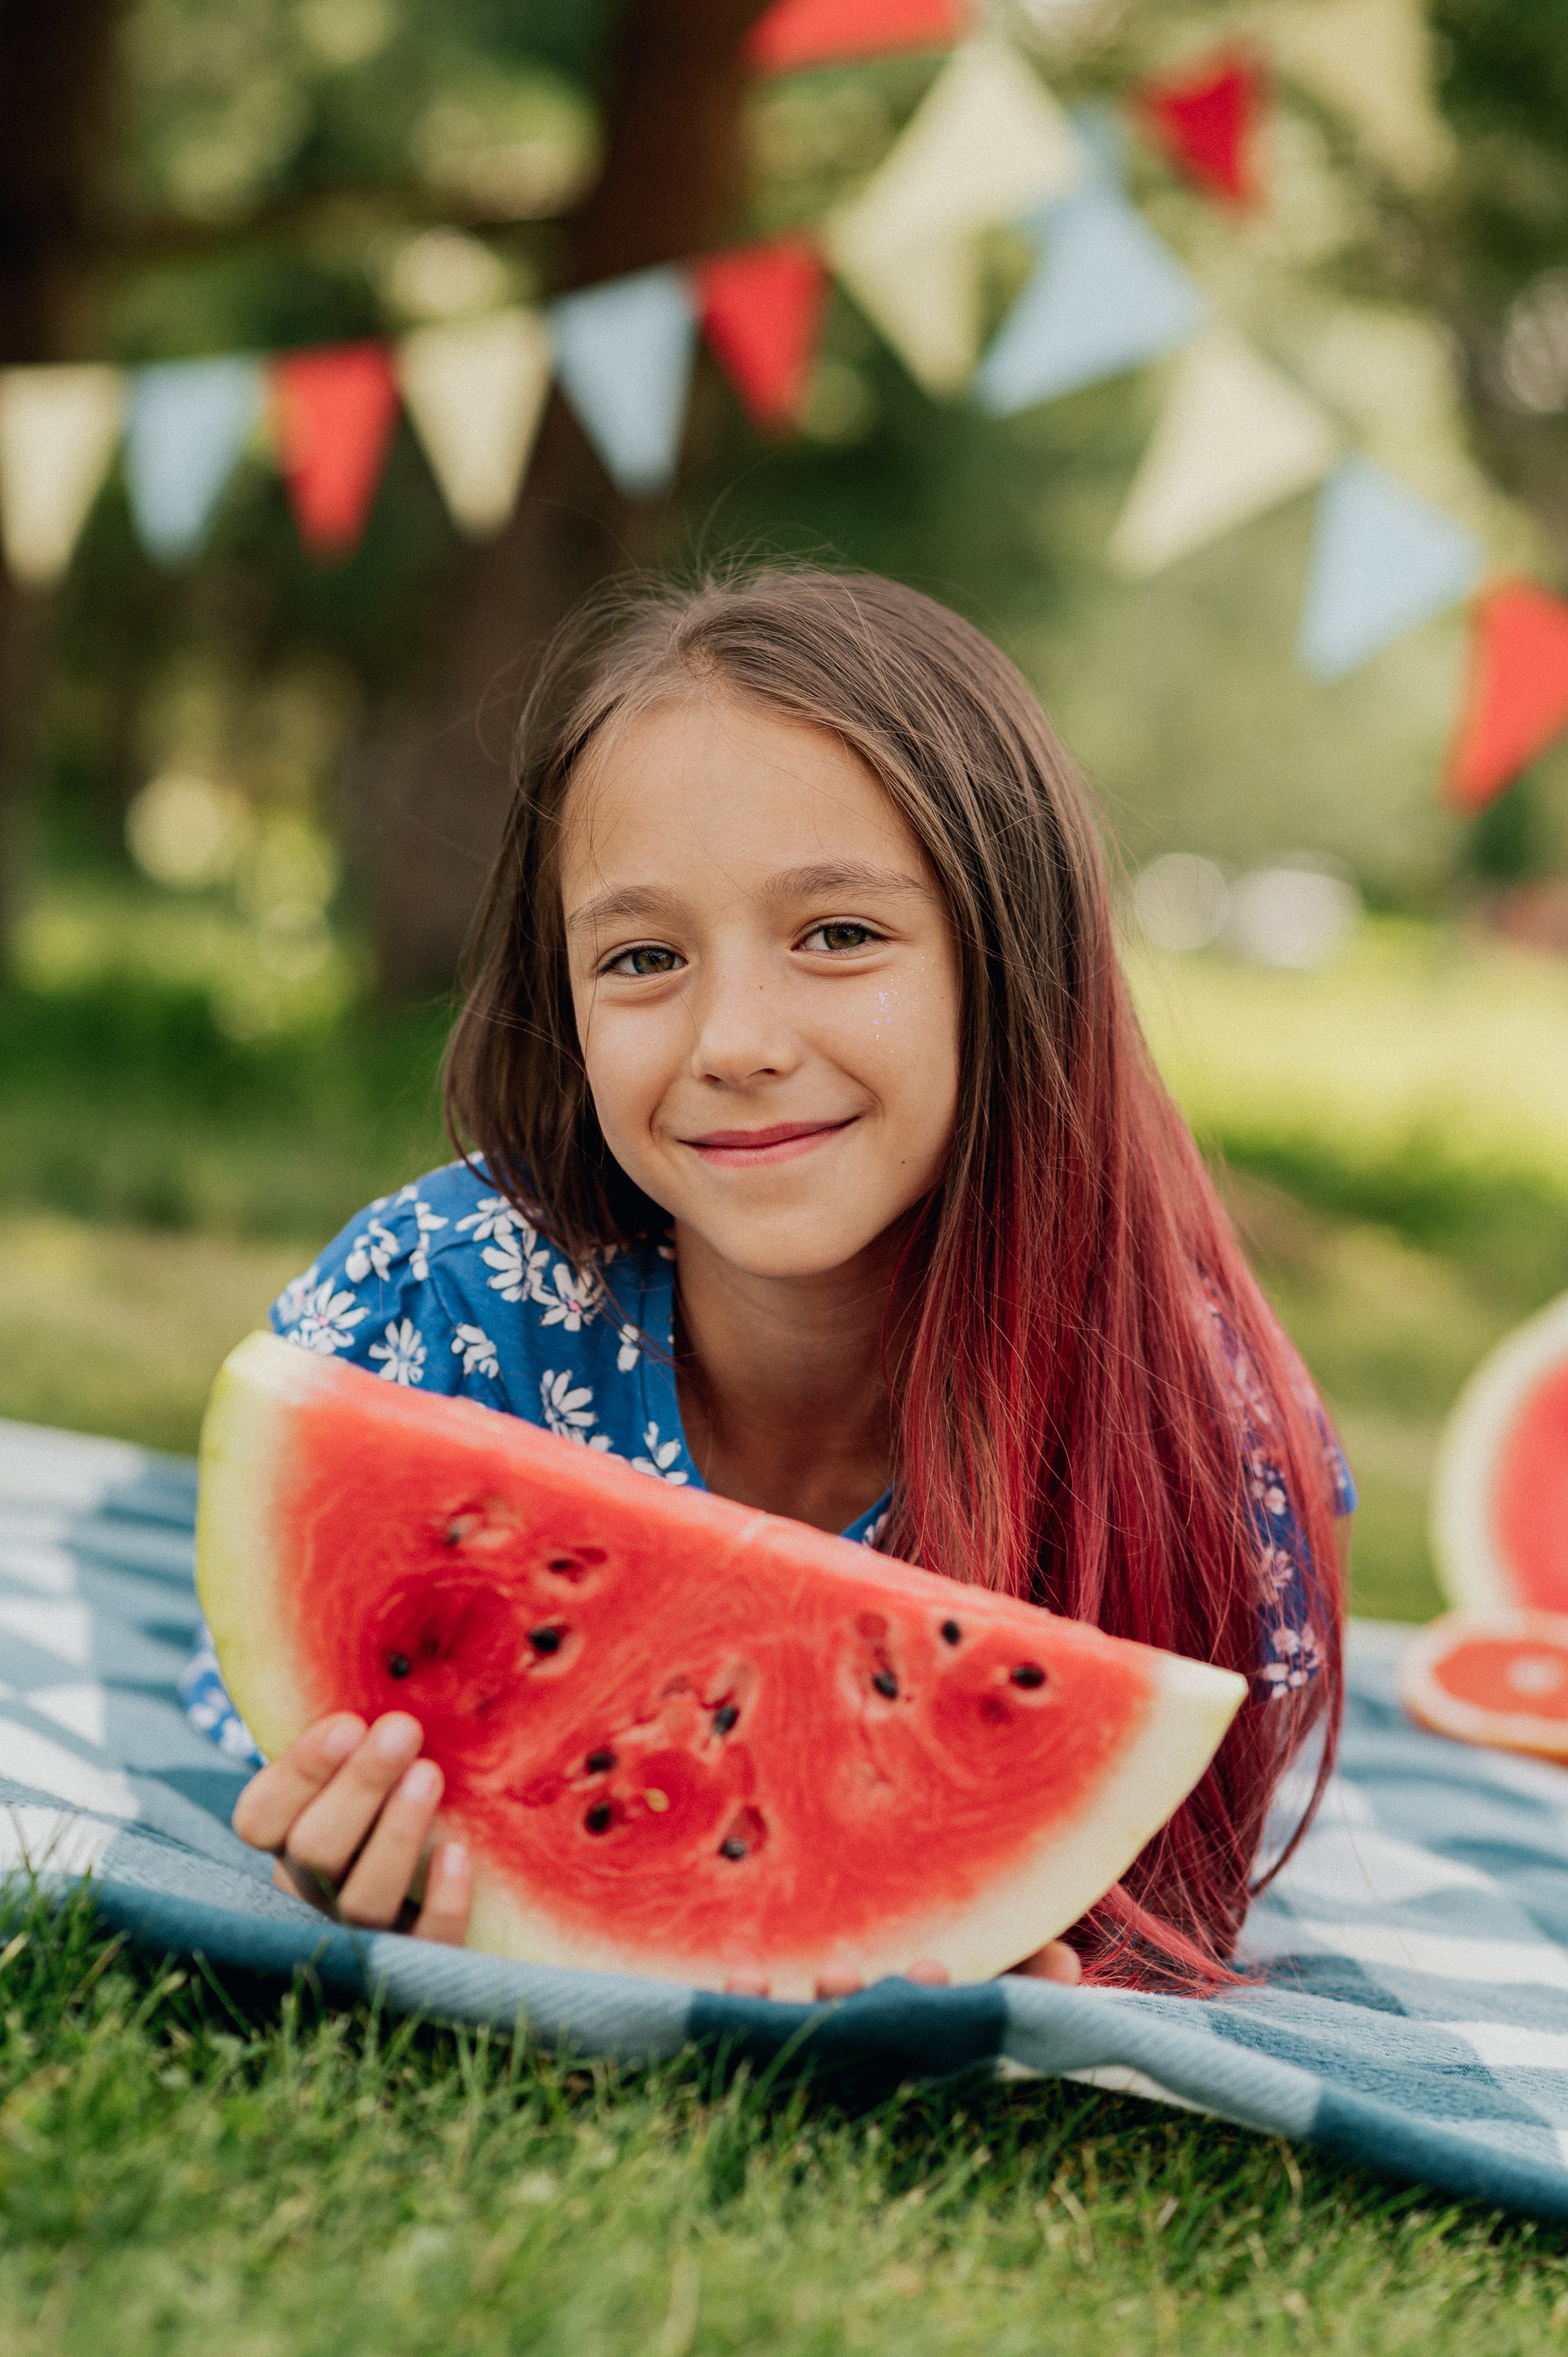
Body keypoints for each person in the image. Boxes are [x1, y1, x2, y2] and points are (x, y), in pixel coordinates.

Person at [184, 566, 1352, 1995]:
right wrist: (337, 1827)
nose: (735, 1037)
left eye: (838, 935)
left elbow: (1153, 1866)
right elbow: (257, 1695)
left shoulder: (1207, 1447)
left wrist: (1044, 1935)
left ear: (1015, 961)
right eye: (643, 956)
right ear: (560, 1004)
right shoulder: (432, 1310)